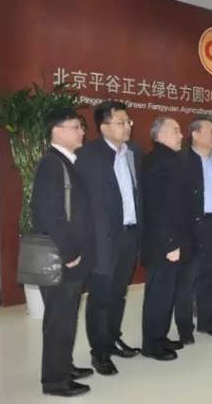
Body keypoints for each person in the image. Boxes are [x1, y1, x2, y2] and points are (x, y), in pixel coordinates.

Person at [76, 101, 143, 376]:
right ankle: (99, 352)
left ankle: (113, 339)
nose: (127, 126)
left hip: (129, 234)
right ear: (103, 127)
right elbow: (81, 203)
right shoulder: (87, 156)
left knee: (119, 293)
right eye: (120, 122)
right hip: (102, 239)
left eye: (128, 121)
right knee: (100, 297)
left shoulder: (133, 152)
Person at [32, 108, 94, 397]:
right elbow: (49, 215)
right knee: (59, 321)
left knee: (66, 318)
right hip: (63, 259)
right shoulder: (51, 164)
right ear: (57, 131)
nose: (82, 132)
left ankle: (64, 367)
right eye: (76, 127)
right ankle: (55, 381)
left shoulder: (66, 162)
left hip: (71, 258)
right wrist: (69, 253)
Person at [176, 117, 212, 342]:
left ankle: (208, 322)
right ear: (195, 135)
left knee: (210, 276)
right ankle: (184, 329)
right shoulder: (182, 160)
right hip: (192, 227)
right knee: (187, 279)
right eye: (211, 132)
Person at [140, 117, 189, 361]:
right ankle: (153, 345)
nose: (181, 136)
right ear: (160, 134)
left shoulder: (166, 158)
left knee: (165, 293)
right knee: (159, 294)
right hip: (164, 243)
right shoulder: (161, 161)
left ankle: (159, 336)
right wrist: (171, 243)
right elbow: (160, 207)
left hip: (167, 240)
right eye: (176, 131)